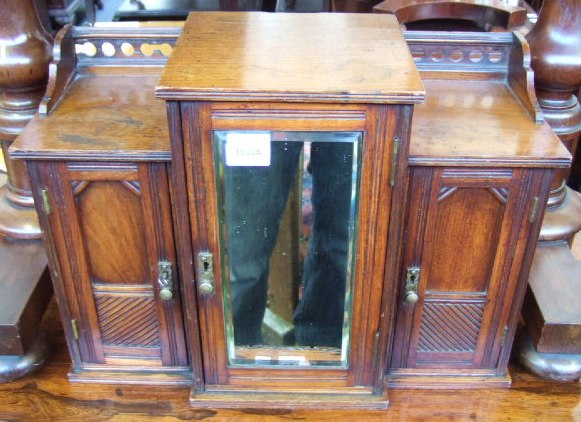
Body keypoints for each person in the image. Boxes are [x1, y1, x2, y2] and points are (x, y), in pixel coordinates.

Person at [221, 131, 358, 349]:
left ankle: (321, 343)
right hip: (258, 103)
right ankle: (238, 356)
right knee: (247, 252)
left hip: (350, 102)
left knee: (340, 240)